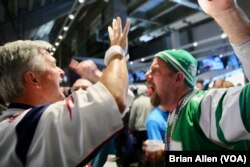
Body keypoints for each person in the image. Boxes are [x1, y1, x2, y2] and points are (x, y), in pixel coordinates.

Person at [0, 17, 131, 166]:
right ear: (33, 79)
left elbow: (120, 97)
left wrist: (95, 75)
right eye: (53, 65)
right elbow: (114, 98)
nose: (61, 72)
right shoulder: (33, 124)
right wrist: (116, 51)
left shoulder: (14, 127)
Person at [144, 0, 250, 151]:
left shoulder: (203, 107)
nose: (147, 75)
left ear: (178, 78)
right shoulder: (175, 113)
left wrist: (227, 13)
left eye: (155, 70)